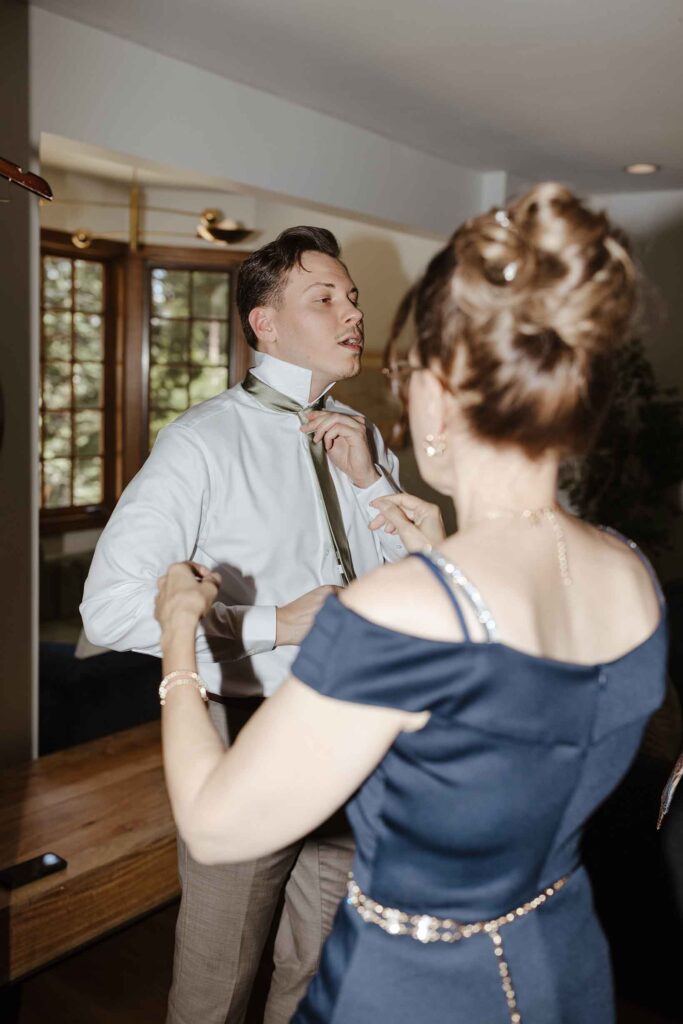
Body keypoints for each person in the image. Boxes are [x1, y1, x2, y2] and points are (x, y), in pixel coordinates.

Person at [153, 184, 667, 1023]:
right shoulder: (629, 571)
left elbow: (213, 826)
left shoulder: (401, 608)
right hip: (562, 963)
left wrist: (180, 633)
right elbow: (515, 716)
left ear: (432, 396)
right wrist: (434, 553)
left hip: (412, 990)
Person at [80, 225, 406, 1024]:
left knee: (319, 967)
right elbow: (109, 606)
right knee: (216, 982)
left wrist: (371, 483)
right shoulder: (201, 442)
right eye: (324, 298)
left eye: (352, 297)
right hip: (245, 737)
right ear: (264, 323)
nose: (352, 314)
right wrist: (274, 624)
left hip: (353, 733)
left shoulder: (363, 439)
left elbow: (413, 583)